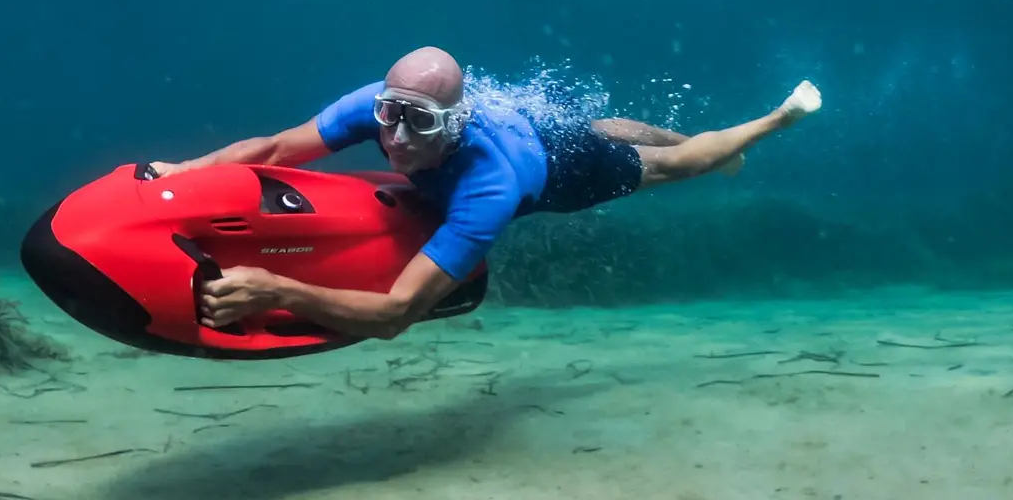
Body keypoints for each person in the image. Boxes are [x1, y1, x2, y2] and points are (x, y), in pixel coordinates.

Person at [146, 46, 822, 340]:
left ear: (455, 121)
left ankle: (769, 122)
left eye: (422, 124)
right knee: (599, 126)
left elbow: (395, 313)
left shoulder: (486, 189)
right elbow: (274, 148)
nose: (399, 140)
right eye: (391, 117)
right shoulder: (383, 104)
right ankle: (662, 132)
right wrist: (188, 170)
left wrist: (278, 290)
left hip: (559, 168)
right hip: (523, 122)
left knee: (671, 165)